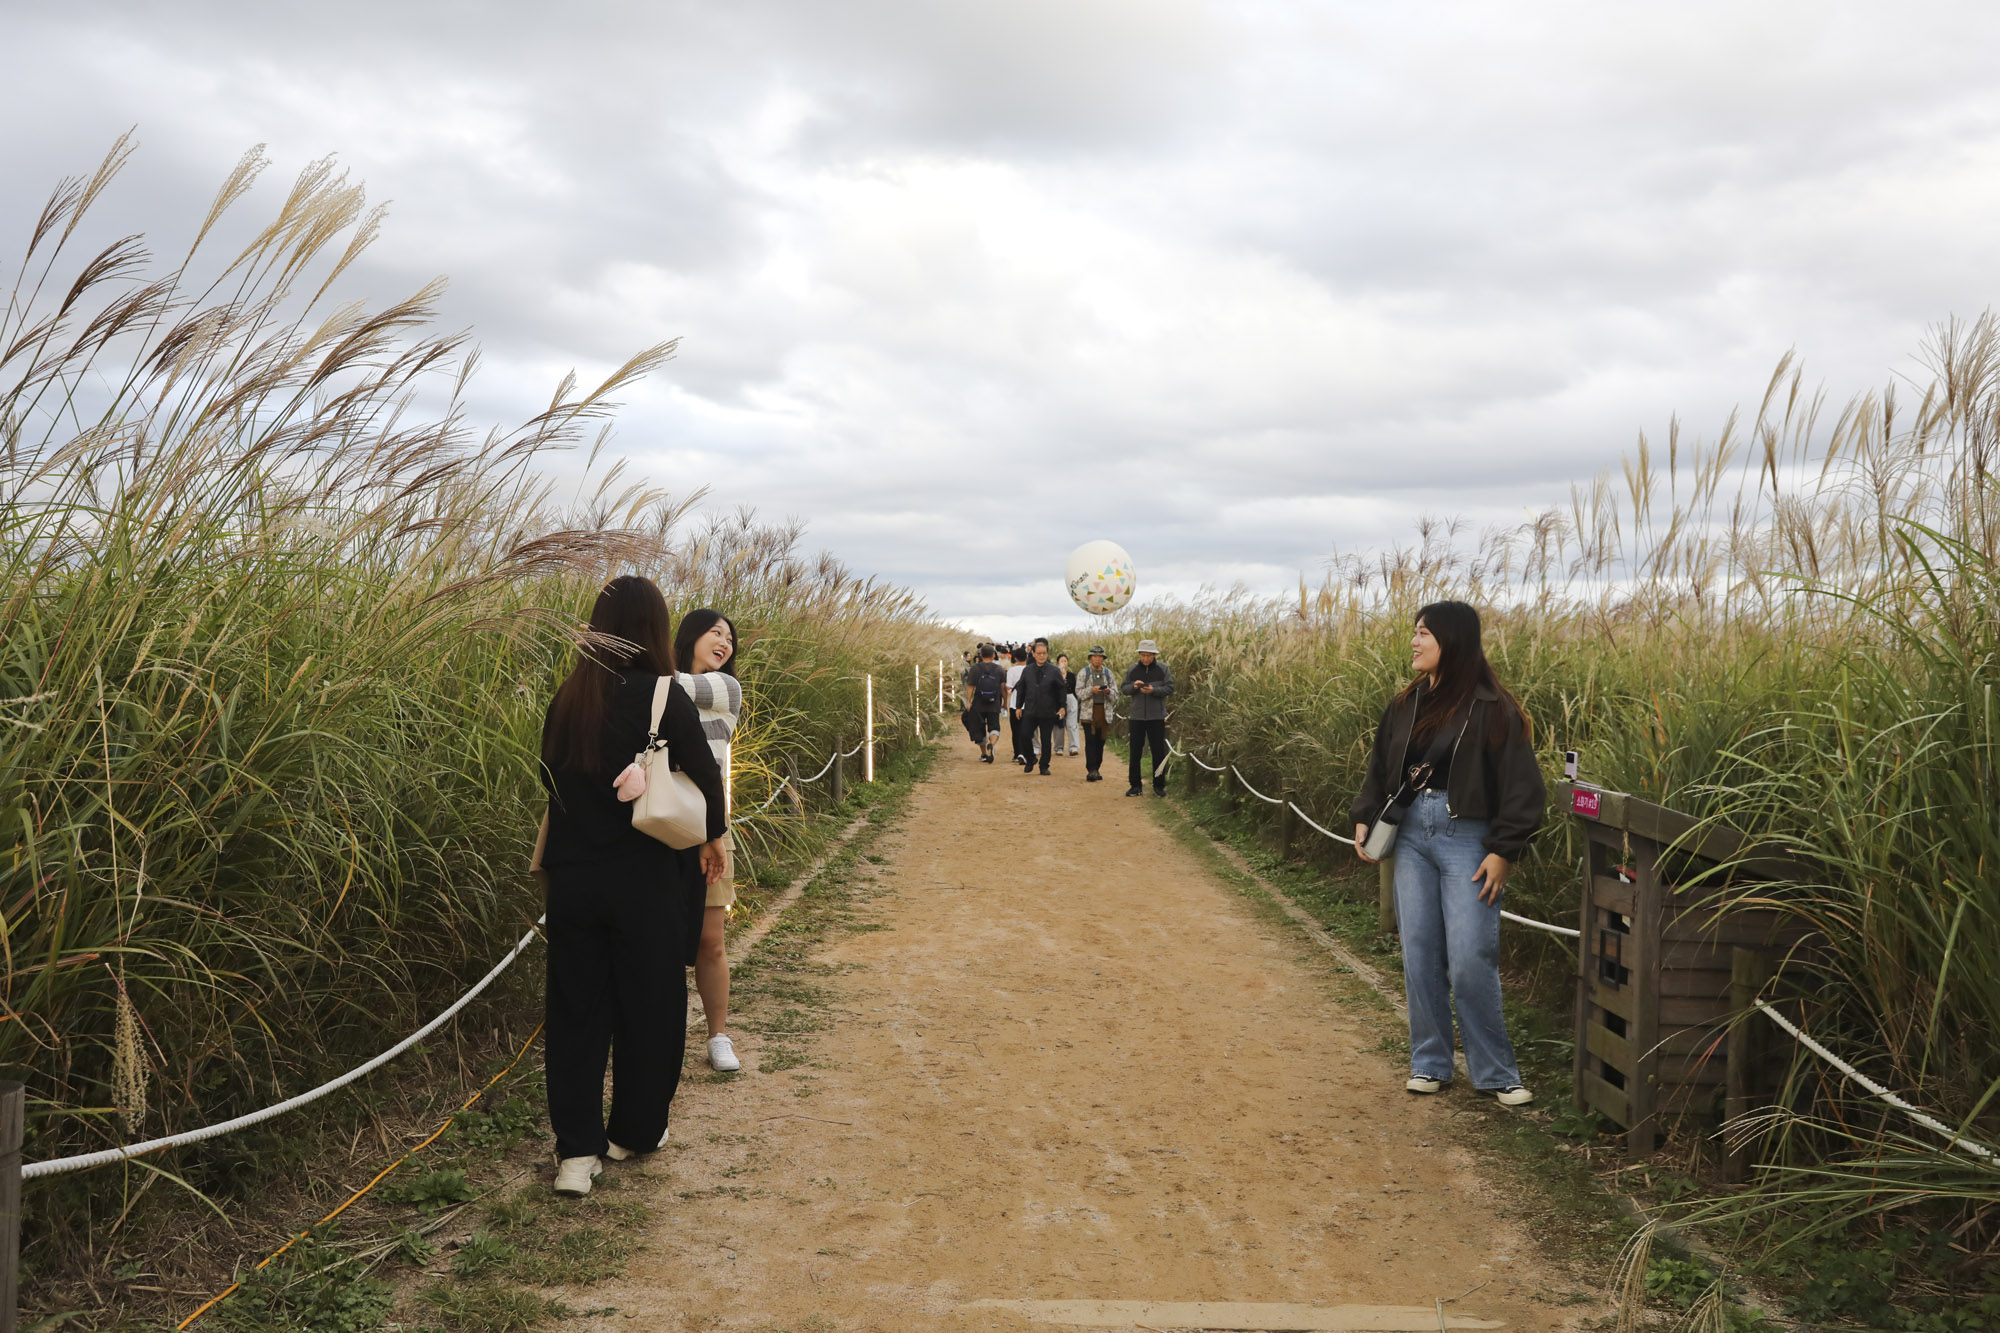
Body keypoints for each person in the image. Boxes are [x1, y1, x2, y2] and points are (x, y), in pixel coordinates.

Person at [538, 575, 727, 1197]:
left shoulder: (568, 696)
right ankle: (634, 1133)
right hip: (643, 880)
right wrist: (714, 836)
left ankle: (575, 1154)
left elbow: (550, 779)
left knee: (575, 1010)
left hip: (572, 881)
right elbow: (705, 774)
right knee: (650, 1007)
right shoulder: (661, 695)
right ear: (653, 628)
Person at [1350, 600, 1545, 1107]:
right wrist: (1366, 814)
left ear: (1452, 641)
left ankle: (1497, 1072)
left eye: (1424, 634)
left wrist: (1504, 850)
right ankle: (1430, 1063)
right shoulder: (1405, 703)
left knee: (1470, 955)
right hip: (1410, 834)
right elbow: (1379, 766)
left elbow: (1523, 788)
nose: (1414, 641)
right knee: (1419, 950)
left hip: (1469, 838)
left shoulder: (1493, 708)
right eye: (1414, 632)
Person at [674, 607, 744, 1075]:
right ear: (689, 637)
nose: (724, 642)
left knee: (710, 941)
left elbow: (668, 685)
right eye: (714, 633)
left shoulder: (725, 687)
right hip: (658, 823)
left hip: (710, 827)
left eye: (729, 638)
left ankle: (717, 1034)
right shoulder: (661, 687)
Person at [1120, 639, 1174, 797]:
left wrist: (1154, 690)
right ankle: (1135, 786)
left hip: (1156, 716)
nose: (1145, 658)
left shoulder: (1163, 669)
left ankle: (1159, 786)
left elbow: (1170, 687)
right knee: (1135, 752)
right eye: (1142, 655)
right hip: (1136, 716)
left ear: (1154, 655)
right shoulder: (1132, 669)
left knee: (1158, 751)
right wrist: (1134, 687)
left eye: (1148, 655)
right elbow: (1124, 688)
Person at [1013, 639, 1067, 776]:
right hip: (1030, 710)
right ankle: (1030, 759)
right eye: (1039, 653)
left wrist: (1062, 707)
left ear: (1047, 654)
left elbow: (1062, 689)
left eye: (1044, 653)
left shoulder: (1054, 671)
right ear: (1034, 654)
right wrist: (1019, 706)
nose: (1041, 656)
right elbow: (1021, 688)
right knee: (1024, 735)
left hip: (1047, 711)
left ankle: (1044, 766)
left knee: (1046, 740)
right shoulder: (1027, 670)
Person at [1074, 645, 1117, 782]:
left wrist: (1108, 691)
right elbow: (1079, 693)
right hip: (1088, 713)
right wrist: (1091, 690)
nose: (1097, 659)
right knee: (1090, 741)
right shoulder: (1083, 673)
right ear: (1091, 657)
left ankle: (1097, 768)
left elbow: (1116, 695)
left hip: (1104, 712)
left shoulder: (1109, 674)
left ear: (1103, 658)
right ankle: (1091, 769)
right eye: (1095, 656)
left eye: (1100, 657)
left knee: (1100, 742)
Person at [964, 645, 1008, 763]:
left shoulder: (975, 668)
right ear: (994, 655)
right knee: (994, 727)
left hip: (978, 703)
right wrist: (1005, 703)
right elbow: (1003, 688)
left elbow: (970, 687)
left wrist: (968, 701)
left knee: (979, 728)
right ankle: (992, 744)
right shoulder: (999, 669)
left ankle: (984, 754)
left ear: (981, 655)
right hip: (994, 703)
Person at [1005, 645, 1031, 767]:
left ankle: (1017, 753)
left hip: (1015, 703)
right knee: (1026, 729)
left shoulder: (1011, 671)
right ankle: (1026, 752)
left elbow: (1009, 688)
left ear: (1015, 658)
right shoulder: (1030, 670)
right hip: (1028, 703)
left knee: (1015, 730)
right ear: (1026, 657)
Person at [1056, 652, 1081, 756]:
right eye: (1061, 661)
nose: (1063, 663)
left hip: (1070, 698)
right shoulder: (1054, 674)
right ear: (1057, 663)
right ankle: (1059, 748)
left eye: (1065, 661)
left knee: (1072, 723)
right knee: (1058, 724)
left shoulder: (1071, 675)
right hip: (1057, 700)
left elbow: (1073, 688)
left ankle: (1073, 747)